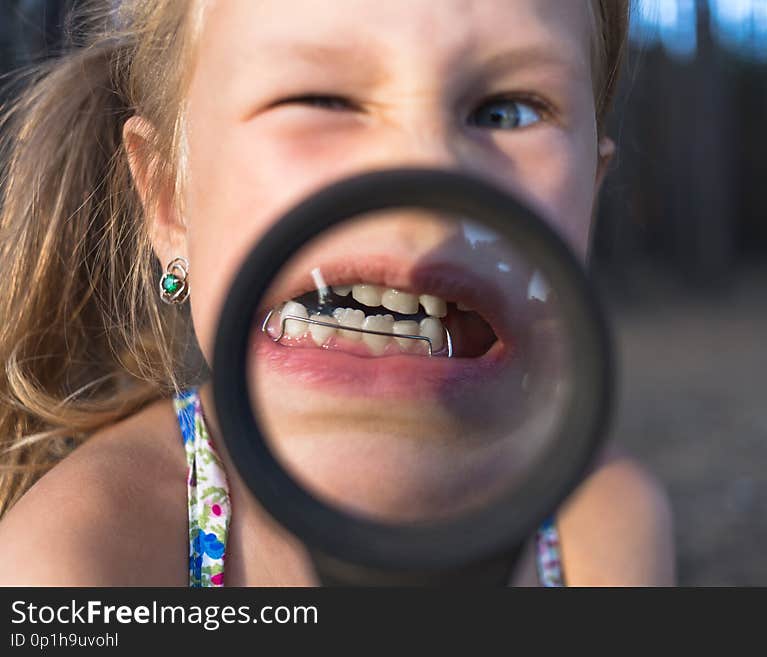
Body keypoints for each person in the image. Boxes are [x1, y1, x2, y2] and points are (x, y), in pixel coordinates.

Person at [0, 0, 674, 586]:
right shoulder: (80, 562)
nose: (424, 182)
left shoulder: (605, 524)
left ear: (590, 193)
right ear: (170, 200)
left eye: (508, 110)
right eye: (320, 99)